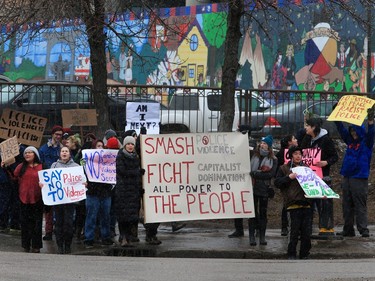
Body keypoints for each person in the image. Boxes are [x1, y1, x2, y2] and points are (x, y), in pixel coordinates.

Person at [334, 106, 374, 238]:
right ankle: (348, 229)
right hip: (347, 176)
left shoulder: (366, 143)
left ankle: (363, 229)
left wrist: (370, 121)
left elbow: (371, 133)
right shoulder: (350, 141)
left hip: (359, 177)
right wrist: (337, 117)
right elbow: (341, 130)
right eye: (352, 131)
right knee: (347, 204)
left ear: (360, 131)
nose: (353, 133)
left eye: (355, 131)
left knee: (360, 204)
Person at [300, 117, 338, 236]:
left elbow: (334, 156)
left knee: (324, 203)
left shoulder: (325, 140)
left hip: (322, 176)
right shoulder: (306, 139)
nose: (305, 128)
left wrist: (326, 162)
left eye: (308, 126)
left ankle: (326, 229)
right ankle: (307, 228)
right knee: (308, 203)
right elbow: (302, 152)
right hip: (309, 177)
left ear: (314, 127)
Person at [274, 146, 312, 259]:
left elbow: (314, 184)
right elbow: (277, 182)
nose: (298, 156)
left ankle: (304, 254)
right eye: (295, 154)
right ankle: (291, 253)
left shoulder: (306, 168)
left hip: (306, 203)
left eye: (300, 154)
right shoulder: (284, 168)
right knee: (293, 232)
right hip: (292, 204)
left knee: (306, 233)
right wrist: (289, 177)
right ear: (291, 155)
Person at [50, 146, 82, 254]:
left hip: (70, 201)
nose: (64, 153)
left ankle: (67, 245)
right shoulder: (54, 166)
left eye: (66, 151)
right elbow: (49, 181)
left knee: (68, 223)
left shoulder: (76, 166)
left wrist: (83, 184)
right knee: (58, 223)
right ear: (60, 153)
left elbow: (81, 180)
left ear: (69, 154)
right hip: (58, 201)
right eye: (62, 151)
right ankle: (59, 246)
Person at [12, 146, 43, 253]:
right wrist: (5, 167)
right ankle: (26, 245)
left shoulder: (42, 167)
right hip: (23, 199)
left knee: (37, 224)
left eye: (30, 152)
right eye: (26, 153)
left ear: (35, 155)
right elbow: (13, 177)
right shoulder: (21, 167)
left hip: (37, 199)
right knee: (25, 223)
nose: (27, 154)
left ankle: (36, 246)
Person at [84, 140, 114, 248]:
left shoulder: (108, 160)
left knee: (105, 216)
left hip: (105, 193)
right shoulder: (87, 161)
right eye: (98, 146)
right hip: (92, 192)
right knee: (91, 216)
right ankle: (89, 238)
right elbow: (81, 170)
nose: (100, 148)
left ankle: (106, 237)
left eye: (102, 146)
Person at [248, 135, 278, 246]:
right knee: (252, 212)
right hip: (252, 187)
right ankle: (252, 236)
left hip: (264, 188)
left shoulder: (273, 159)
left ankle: (262, 236)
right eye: (261, 143)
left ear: (269, 146)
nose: (262, 145)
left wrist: (256, 174)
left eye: (265, 143)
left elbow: (271, 174)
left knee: (263, 213)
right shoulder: (254, 155)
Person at [115, 136, 144, 247]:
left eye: (132, 144)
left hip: (133, 191)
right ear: (124, 145)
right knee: (123, 216)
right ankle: (123, 237)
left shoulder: (136, 157)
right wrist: (137, 172)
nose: (130, 146)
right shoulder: (120, 156)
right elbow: (122, 171)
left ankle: (129, 237)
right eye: (128, 144)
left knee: (132, 217)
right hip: (123, 191)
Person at [39, 125, 64, 241]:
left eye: (60, 134)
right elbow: (41, 164)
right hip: (49, 181)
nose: (58, 136)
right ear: (52, 134)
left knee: (59, 208)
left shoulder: (62, 148)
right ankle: (49, 231)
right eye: (56, 134)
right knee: (48, 208)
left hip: (60, 182)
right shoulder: (44, 149)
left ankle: (58, 229)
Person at [275, 135, 298, 236]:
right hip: (287, 183)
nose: (296, 140)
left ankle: (289, 228)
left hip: (295, 185)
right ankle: (285, 227)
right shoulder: (281, 155)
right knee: (287, 205)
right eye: (294, 139)